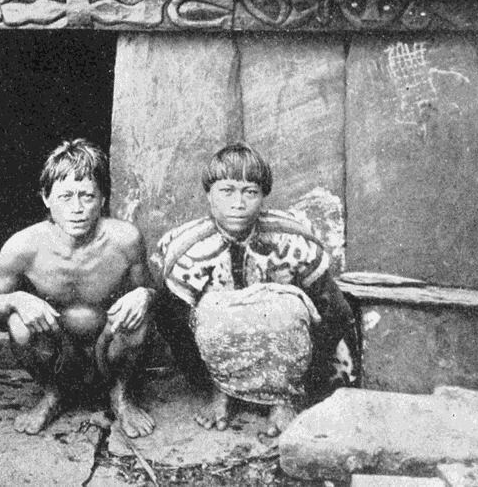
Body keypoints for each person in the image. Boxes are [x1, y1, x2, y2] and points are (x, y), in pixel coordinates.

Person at [152, 142, 356, 436]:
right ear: (209, 194)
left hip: (289, 360)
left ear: (263, 196)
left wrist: (305, 378)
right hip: (219, 361)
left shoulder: (290, 239)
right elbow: (171, 322)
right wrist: (206, 381)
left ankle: (284, 400)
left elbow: (336, 311)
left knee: (287, 308)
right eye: (227, 191)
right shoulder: (190, 248)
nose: (238, 202)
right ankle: (222, 393)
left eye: (250, 192)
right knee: (209, 311)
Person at [0, 139, 156, 438]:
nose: (77, 209)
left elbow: (155, 295)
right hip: (60, 352)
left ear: (102, 198)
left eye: (87, 196)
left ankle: (121, 397)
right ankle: (53, 395)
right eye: (65, 197)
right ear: (46, 198)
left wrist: (144, 296)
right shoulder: (23, 245)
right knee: (18, 323)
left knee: (137, 318)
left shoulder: (125, 239)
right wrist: (18, 299)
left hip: (107, 349)